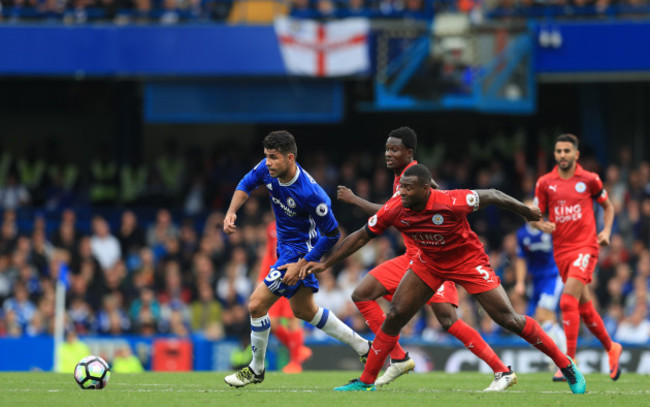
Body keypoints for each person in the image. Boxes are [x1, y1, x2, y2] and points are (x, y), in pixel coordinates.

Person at [297, 164, 586, 394]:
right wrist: (325, 263)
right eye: (401, 189)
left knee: (508, 318)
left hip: (467, 261)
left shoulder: (451, 201)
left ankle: (565, 364)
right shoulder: (396, 207)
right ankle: (366, 380)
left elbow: (494, 194)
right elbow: (361, 236)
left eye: (409, 189)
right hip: (429, 263)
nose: (403, 194)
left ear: (425, 188)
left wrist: (525, 212)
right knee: (396, 313)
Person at [336, 127, 514, 391]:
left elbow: (387, 213)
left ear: (409, 153)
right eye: (387, 149)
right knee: (363, 294)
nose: (388, 154)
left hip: (430, 257)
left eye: (394, 150)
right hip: (412, 258)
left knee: (447, 320)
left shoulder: (413, 178)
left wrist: (355, 200)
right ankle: (397, 357)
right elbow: (391, 213)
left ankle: (501, 370)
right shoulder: (403, 178)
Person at [223, 131, 371, 388]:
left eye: (273, 158)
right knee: (304, 310)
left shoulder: (312, 194)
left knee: (256, 305)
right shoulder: (267, 170)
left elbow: (333, 233)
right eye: (266, 157)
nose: (267, 163)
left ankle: (256, 369)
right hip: (285, 250)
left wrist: (303, 263)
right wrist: (231, 212)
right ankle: (364, 347)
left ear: (290, 158)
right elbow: (245, 184)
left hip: (298, 254)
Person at [533, 133, 622, 381]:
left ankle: (568, 363)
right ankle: (611, 348)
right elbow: (534, 214)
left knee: (567, 302)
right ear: (555, 154)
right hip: (561, 252)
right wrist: (541, 225)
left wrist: (605, 230)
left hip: (586, 247)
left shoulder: (589, 179)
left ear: (576, 154)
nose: (562, 155)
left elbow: (608, 206)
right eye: (558, 151)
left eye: (567, 151)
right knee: (584, 308)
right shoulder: (545, 183)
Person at [513, 198, 567, 382]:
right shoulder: (521, 235)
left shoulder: (549, 229)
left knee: (543, 314)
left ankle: (565, 359)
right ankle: (562, 359)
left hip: (553, 277)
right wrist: (520, 282)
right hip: (536, 281)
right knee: (543, 320)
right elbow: (521, 259)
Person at [258, 221, 312, 374]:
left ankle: (295, 363)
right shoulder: (271, 227)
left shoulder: (301, 223)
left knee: (293, 319)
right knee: (272, 322)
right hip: (276, 278)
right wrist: (262, 277)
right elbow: (269, 254)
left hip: (295, 276)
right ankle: (298, 349)